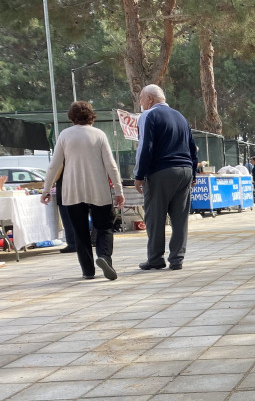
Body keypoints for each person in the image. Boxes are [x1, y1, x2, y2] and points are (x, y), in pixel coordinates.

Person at [41, 101, 125, 280]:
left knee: (80, 231)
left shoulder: (65, 135)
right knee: (104, 227)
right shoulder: (99, 135)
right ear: (91, 116)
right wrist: (119, 191)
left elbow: (54, 165)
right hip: (98, 188)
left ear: (72, 117)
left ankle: (88, 271)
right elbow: (111, 165)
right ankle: (104, 257)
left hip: (72, 190)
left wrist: (46, 189)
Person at [133, 84, 199, 271]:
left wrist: (139, 174)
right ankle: (177, 259)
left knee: (155, 216)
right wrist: (193, 174)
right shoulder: (181, 117)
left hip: (161, 171)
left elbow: (145, 147)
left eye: (141, 98)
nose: (140, 102)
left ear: (150, 99)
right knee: (180, 218)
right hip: (185, 170)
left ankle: (155, 258)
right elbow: (192, 148)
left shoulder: (149, 115)